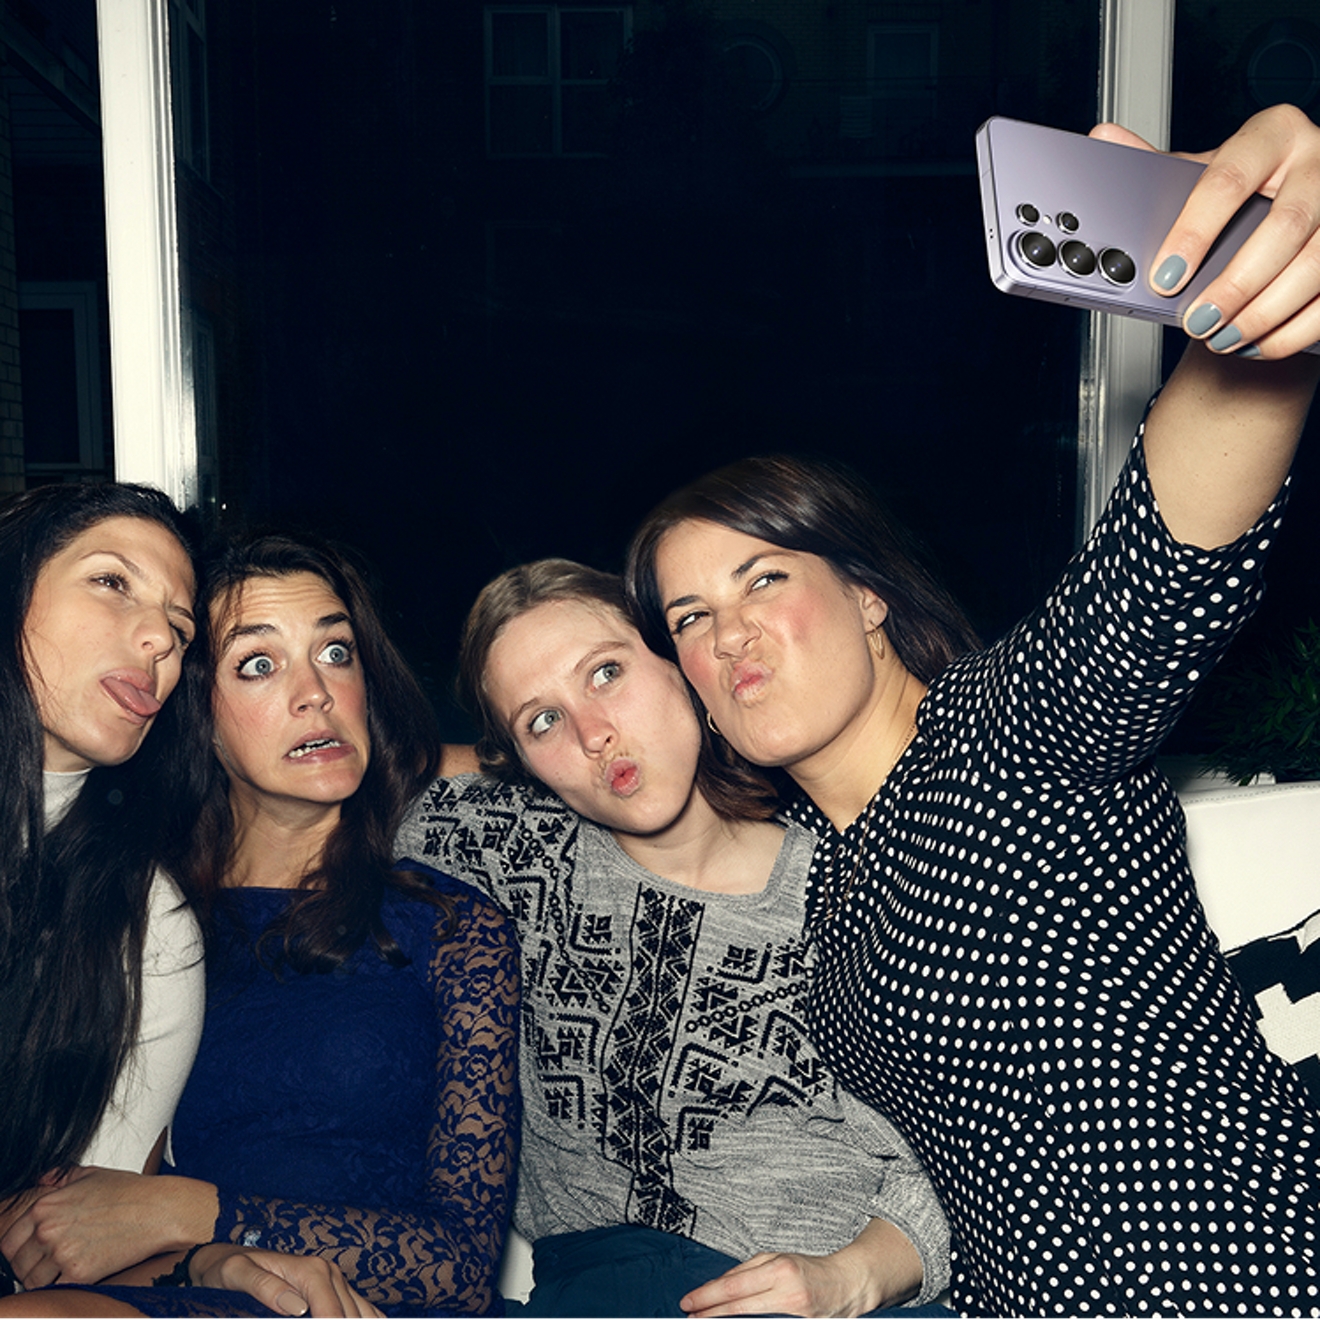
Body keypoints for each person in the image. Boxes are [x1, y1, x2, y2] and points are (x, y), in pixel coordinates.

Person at [622, 105, 1320, 1316]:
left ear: (872, 597)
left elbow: (1159, 570)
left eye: (762, 580)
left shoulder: (1009, 726)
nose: (724, 634)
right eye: (686, 618)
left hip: (1233, 1277)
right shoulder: (831, 898)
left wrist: (1248, 315)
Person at [396, 558, 951, 1319]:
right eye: (543, 721)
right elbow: (342, 774)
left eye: (606, 674)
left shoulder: (847, 880)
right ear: (519, 760)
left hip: (834, 1296)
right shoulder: (511, 847)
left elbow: (974, 1151)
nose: (594, 735)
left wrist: (856, 1276)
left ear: (680, 666)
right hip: (595, 1292)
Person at [2, 533, 520, 1318]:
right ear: (196, 716)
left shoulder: (453, 928)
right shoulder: (139, 919)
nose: (315, 693)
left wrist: (187, 1210)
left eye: (336, 653)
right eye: (259, 664)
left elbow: (462, 1269)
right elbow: (73, 1224)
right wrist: (206, 1255)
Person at [0, 482, 203, 1240]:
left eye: (181, 631)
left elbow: (59, 1240)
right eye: (112, 582)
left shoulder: (147, 924)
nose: (158, 640)